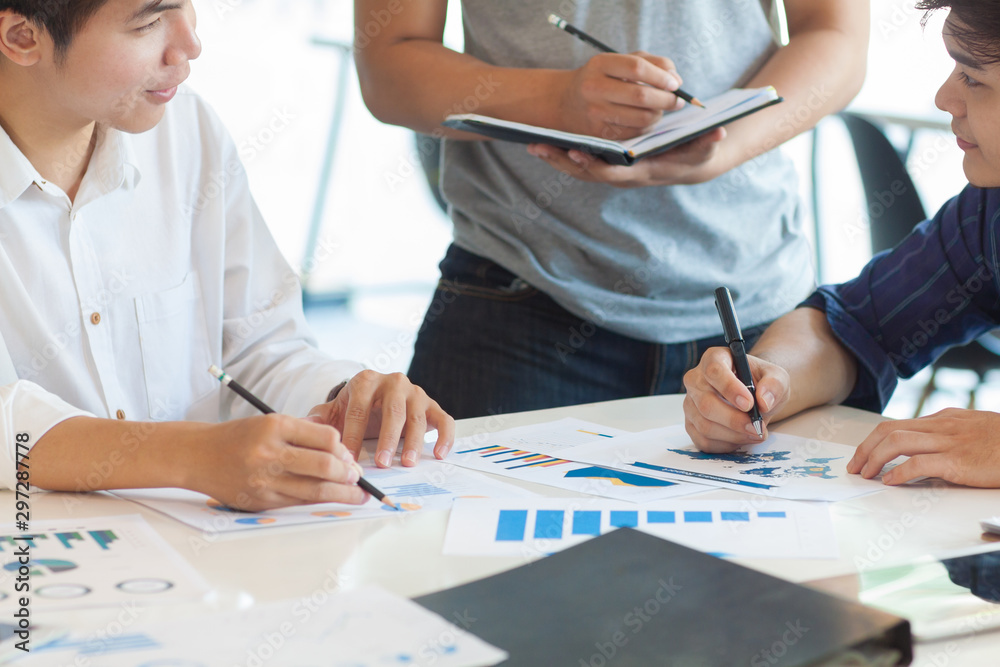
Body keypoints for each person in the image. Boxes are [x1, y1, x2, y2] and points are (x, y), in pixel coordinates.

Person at [0, 0, 454, 511]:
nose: (190, 45)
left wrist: (343, 399)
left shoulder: (186, 129)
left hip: (196, 554)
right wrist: (189, 456)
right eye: (148, 23)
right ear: (22, 38)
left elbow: (256, 347)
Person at [354, 0, 869, 419]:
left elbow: (837, 37)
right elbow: (388, 65)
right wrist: (559, 100)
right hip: (522, 300)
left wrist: (724, 144)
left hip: (759, 316)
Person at [682, 0, 1000, 488]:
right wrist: (770, 382)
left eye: (974, 78)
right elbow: (853, 325)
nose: (943, 97)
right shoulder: (986, 214)